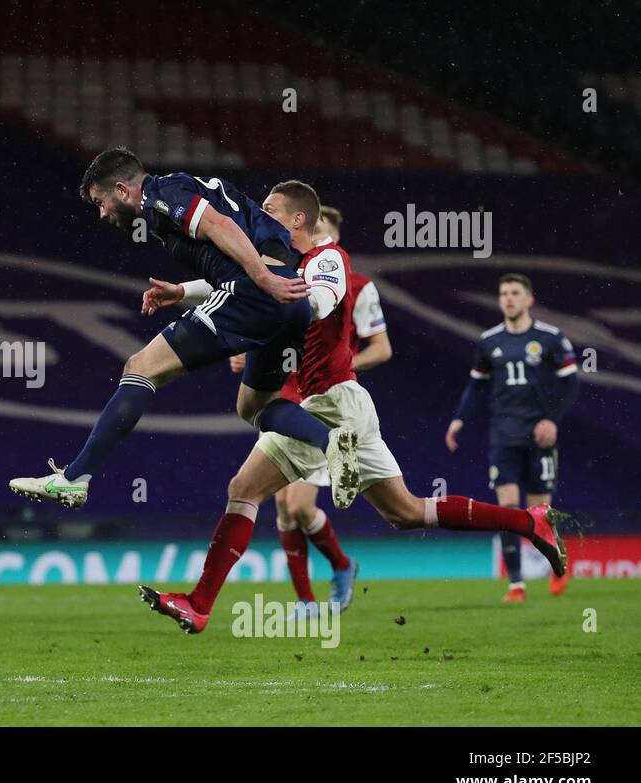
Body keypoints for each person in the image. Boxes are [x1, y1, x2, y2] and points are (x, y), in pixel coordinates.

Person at [136, 184, 569, 635]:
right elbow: (243, 281)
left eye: (269, 209)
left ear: (298, 219)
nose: (259, 215)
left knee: (245, 488)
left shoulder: (328, 260)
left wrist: (266, 323)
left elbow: (317, 300)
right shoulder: (282, 264)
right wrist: (183, 291)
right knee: (404, 512)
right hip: (336, 401)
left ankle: (201, 603)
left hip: (331, 403)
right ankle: (529, 521)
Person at [9, 148, 362, 512]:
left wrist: (263, 279)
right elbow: (255, 244)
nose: (102, 214)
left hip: (259, 292)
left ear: (122, 189)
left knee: (140, 368)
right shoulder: (185, 191)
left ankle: (74, 479)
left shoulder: (160, 194)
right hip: (288, 302)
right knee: (254, 406)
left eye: (101, 202)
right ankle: (331, 441)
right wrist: (183, 291)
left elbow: (219, 227)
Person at [229, 205, 393, 617]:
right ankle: (305, 601)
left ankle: (341, 566)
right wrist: (248, 356)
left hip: (324, 398)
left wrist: (343, 362)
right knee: (283, 507)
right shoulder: (288, 275)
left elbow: (383, 348)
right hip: (285, 394)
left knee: (299, 506)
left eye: (324, 232)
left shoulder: (355, 284)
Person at [446, 274, 580, 601]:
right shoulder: (489, 341)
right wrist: (459, 420)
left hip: (539, 436)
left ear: (529, 299)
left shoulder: (550, 338)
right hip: (503, 436)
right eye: (503, 293)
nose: (508, 298)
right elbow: (476, 384)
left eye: (515, 293)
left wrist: (551, 419)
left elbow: (570, 384)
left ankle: (559, 567)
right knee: (507, 509)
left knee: (540, 513)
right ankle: (516, 585)